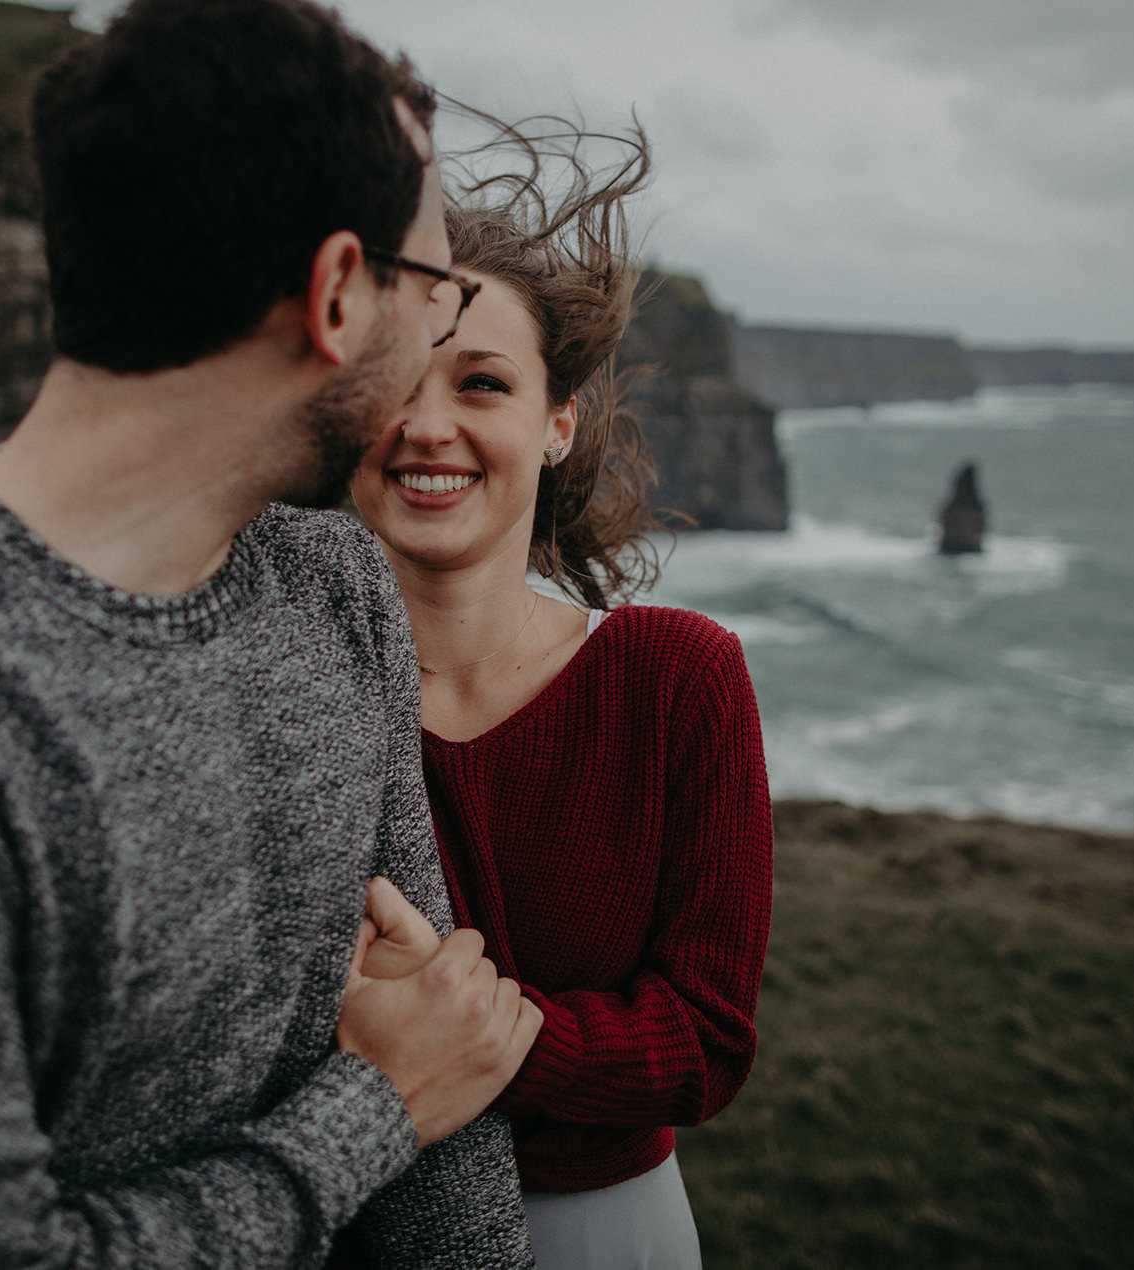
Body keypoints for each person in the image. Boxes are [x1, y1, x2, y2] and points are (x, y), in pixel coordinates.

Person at [0, 1, 543, 1265]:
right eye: (438, 293)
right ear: (340, 292)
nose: (435, 353)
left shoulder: (337, 579)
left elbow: (437, 1022)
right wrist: (371, 1110)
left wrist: (422, 1114)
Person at [348, 133, 775, 1267]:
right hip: (345, 1223)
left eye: (481, 382)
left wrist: (463, 1040)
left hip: (605, 1233)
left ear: (557, 422)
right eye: (393, 383)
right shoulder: (290, 690)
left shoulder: (679, 676)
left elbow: (705, 1042)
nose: (427, 426)